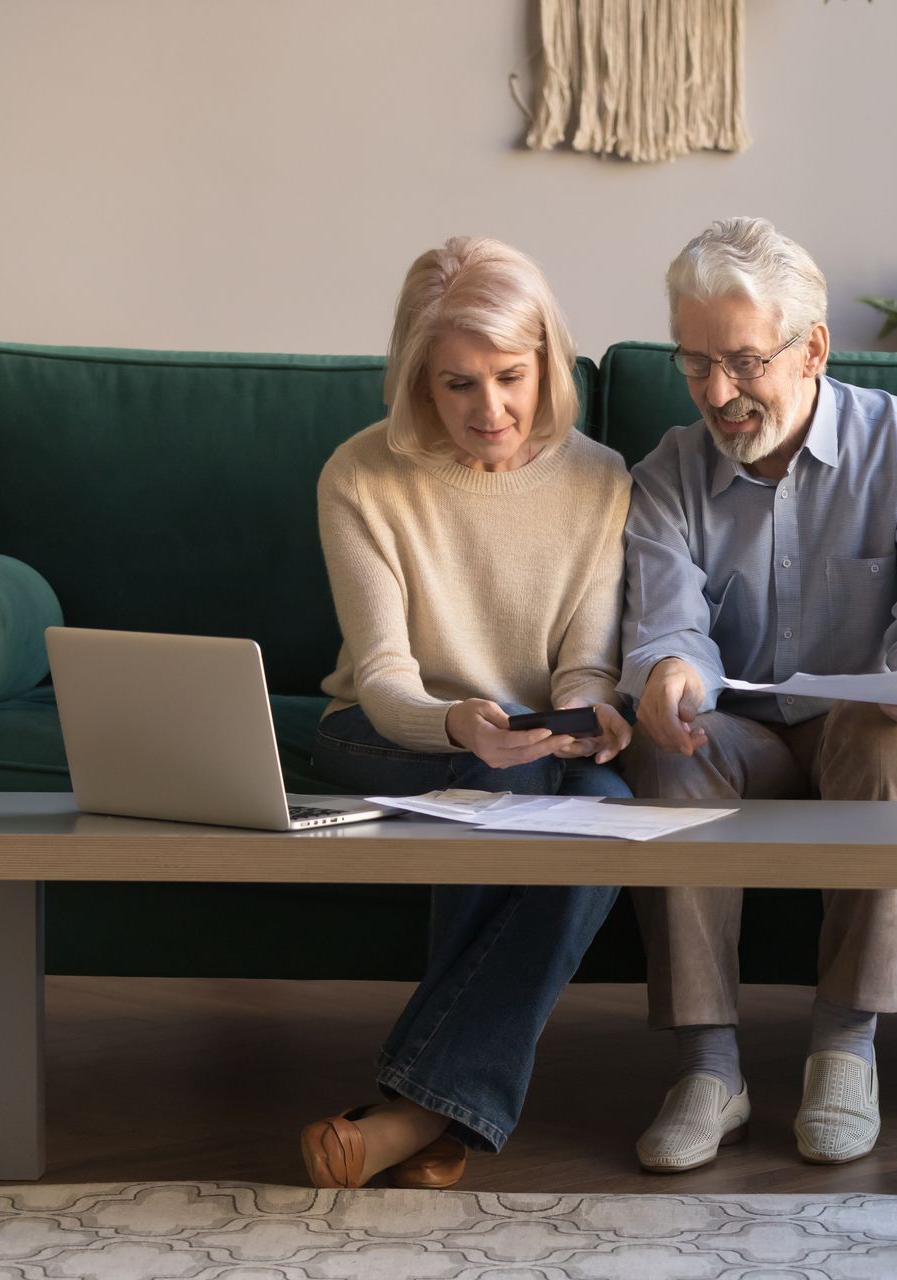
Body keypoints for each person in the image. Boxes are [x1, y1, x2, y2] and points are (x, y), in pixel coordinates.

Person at [619, 217, 897, 1172]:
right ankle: (709, 1070)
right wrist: (669, 675)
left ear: (812, 348)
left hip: (880, 732)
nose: (717, 393)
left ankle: (845, 1048)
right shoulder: (666, 473)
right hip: (744, 735)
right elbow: (670, 621)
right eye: (694, 364)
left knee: (883, 732)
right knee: (664, 738)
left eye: (741, 362)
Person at [302, 236, 633, 1190]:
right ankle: (431, 1108)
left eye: (511, 378)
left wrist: (588, 713)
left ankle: (417, 1110)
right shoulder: (359, 476)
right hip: (384, 731)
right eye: (457, 386)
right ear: (417, 379)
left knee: (607, 807)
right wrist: (461, 726)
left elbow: (586, 661)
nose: (490, 410)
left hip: (526, 740)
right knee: (511, 770)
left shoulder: (602, 479)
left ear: (548, 363)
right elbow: (384, 677)